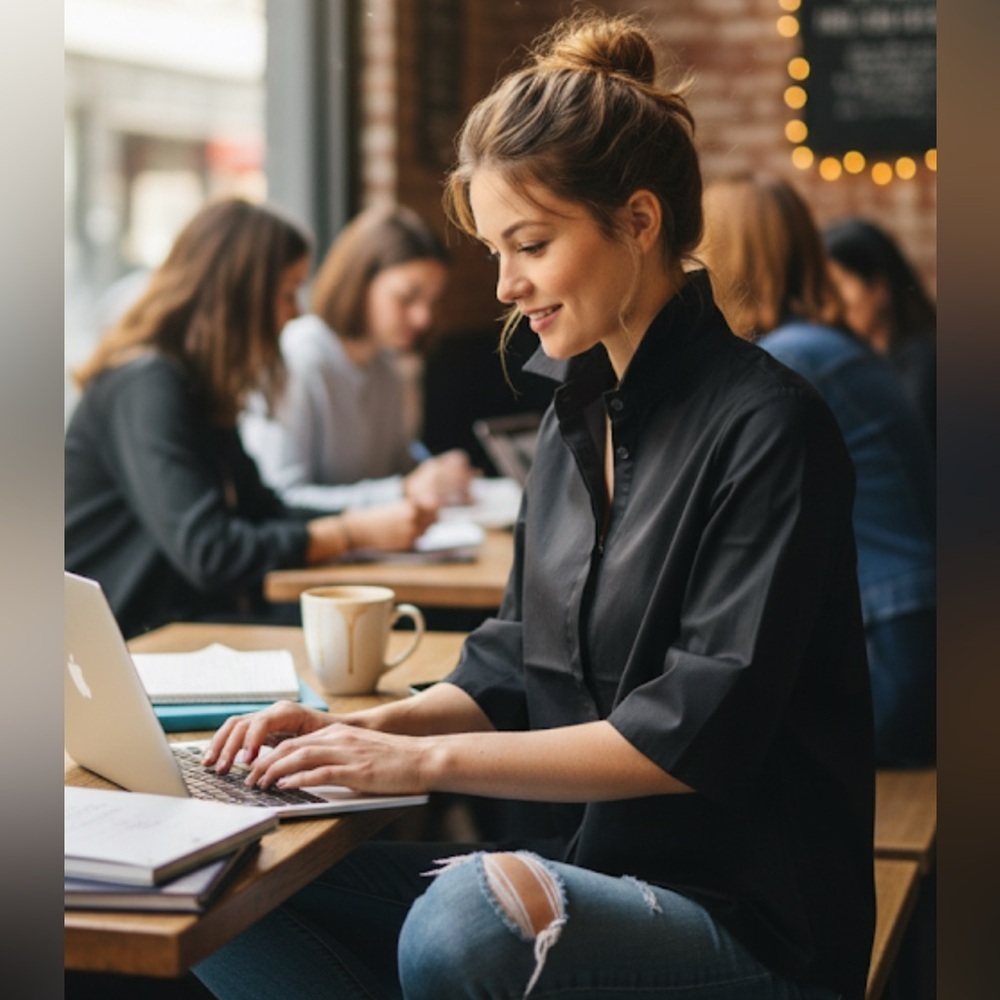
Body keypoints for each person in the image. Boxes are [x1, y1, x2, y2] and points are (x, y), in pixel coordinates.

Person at [195, 14, 874, 1000]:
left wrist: (405, 765)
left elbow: (694, 731)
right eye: (496, 252)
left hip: (747, 918)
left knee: (471, 923)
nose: (508, 286)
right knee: (219, 884)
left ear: (639, 222)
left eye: (530, 245)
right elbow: (511, 663)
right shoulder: (571, 418)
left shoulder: (772, 424)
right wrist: (360, 731)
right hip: (577, 870)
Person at [65, 198, 435, 639]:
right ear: (240, 298)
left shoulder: (198, 387)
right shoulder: (145, 385)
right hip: (125, 649)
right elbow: (212, 553)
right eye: (286, 293)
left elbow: (263, 509)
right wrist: (351, 532)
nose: (296, 311)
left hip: (181, 629)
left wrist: (371, 525)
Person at [700, 172, 936, 767]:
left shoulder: (792, 360)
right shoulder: (821, 346)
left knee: (711, 756)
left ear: (726, 258)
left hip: (891, 663)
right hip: (908, 642)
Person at [240, 204, 477, 513]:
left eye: (431, 303)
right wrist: (404, 490)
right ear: (360, 282)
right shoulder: (299, 359)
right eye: (406, 297)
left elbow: (395, 470)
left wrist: (434, 473)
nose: (423, 318)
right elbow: (282, 496)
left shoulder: (387, 370)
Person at [823, 218, 936, 439]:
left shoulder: (926, 363)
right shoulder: (851, 359)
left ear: (879, 287)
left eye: (839, 285)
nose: (830, 302)